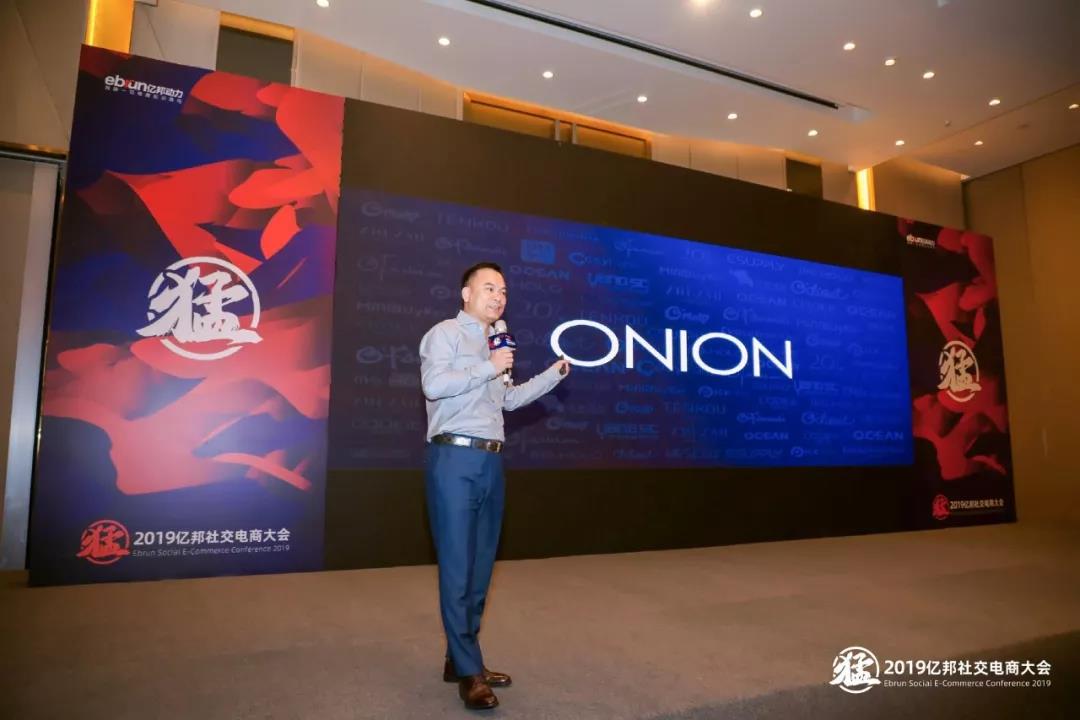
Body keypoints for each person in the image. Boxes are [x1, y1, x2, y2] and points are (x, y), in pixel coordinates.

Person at [419, 261, 569, 710]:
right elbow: (434, 385)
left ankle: (460, 658)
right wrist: (488, 366)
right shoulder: (445, 334)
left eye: (503, 291)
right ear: (466, 294)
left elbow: (508, 400)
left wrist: (552, 376)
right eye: (489, 288)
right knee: (457, 566)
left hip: (490, 460)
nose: (498, 297)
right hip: (454, 457)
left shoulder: (497, 344)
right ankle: (469, 671)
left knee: (481, 568)